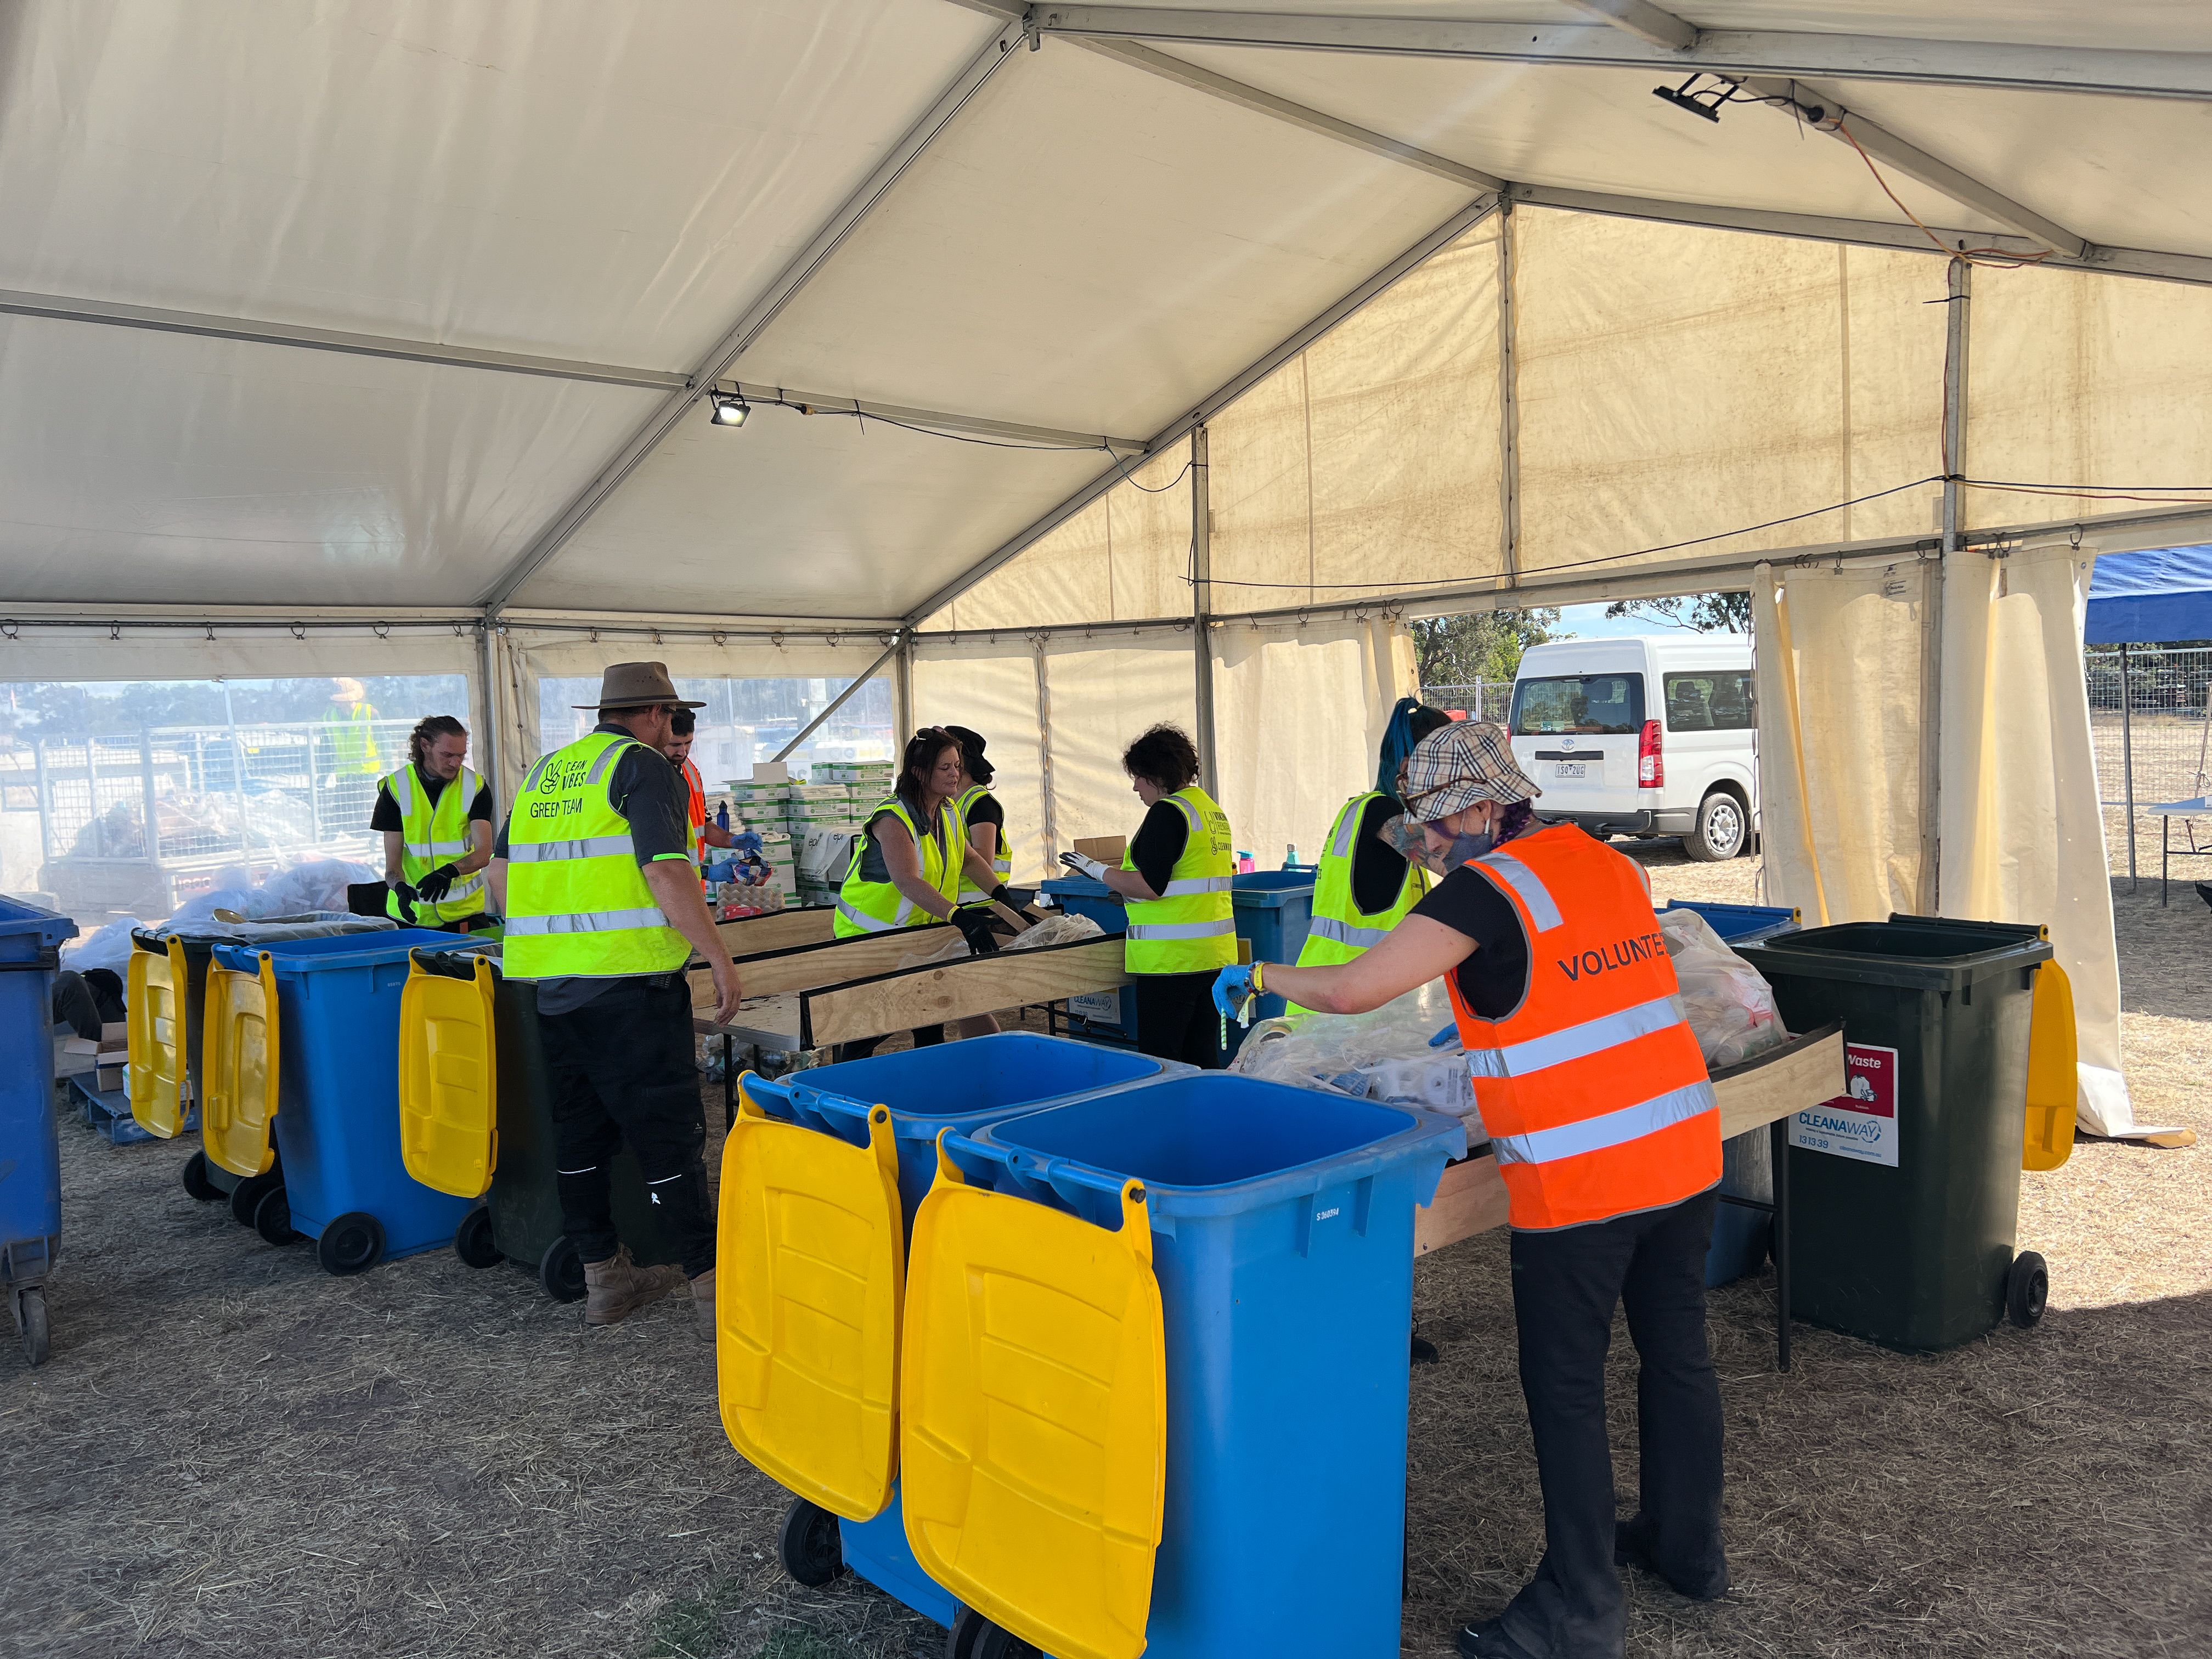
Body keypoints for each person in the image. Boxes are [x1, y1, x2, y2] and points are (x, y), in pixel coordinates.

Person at [1214, 720, 1726, 1659]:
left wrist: (1257, 972)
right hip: (1681, 1150)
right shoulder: (1607, 863)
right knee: (1677, 1353)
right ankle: (1686, 1547)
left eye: (1444, 824)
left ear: (1491, 806)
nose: (1432, 845)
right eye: (1424, 827)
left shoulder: (1485, 890)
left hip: (1584, 1179)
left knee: (1565, 1388)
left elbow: (1355, 989)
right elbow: (1580, 987)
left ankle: (1578, 1607)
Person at [487, 663, 742, 1337]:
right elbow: (665, 869)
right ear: (656, 713)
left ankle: (605, 1279)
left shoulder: (546, 773)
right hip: (631, 989)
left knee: (579, 1139)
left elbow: (499, 875)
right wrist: (718, 955)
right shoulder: (643, 767)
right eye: (671, 717)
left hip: (554, 992)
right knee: (669, 1140)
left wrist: (551, 940)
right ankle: (713, 1292)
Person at [1058, 723, 1235, 1069]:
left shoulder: (1167, 812)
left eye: (1140, 776)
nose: (1136, 786)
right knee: (1201, 1057)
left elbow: (1151, 887)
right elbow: (1186, 881)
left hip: (1171, 963)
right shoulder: (1209, 810)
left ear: (1159, 774)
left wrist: (1096, 869)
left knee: (1162, 1063)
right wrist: (1126, 893)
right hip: (1213, 958)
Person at [833, 727, 1014, 1057]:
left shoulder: (948, 810)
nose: (955, 774)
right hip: (870, 938)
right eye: (945, 767)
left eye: (957, 765)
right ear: (919, 773)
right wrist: (959, 917)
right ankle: (846, 1080)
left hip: (917, 934)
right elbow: (907, 880)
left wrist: (1001, 894)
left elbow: (969, 859)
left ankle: (930, 1075)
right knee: (874, 1025)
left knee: (930, 1014)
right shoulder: (893, 819)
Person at [1290, 698, 1454, 1003]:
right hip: (1344, 1008)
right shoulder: (1384, 815)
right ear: (1409, 767)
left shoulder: (1366, 811)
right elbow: (1464, 867)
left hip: (1342, 1001)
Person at [371, 715, 494, 929]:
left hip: (465, 914)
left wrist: (449, 872)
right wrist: (399, 888)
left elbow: (485, 853)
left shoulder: (475, 787)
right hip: (410, 917)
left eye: (461, 755)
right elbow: (392, 868)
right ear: (425, 746)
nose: (455, 763)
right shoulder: (395, 789)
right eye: (447, 755)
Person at [662, 707, 737, 871]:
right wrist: (707, 872)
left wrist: (732, 840)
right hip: (671, 879)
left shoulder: (690, 770)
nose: (683, 752)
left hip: (694, 878)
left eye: (688, 743)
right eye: (675, 745)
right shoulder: (650, 775)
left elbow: (704, 825)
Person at [944, 725, 1010, 906]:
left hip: (980, 905)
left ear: (960, 762)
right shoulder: (948, 800)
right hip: (954, 904)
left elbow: (983, 860)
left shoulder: (981, 804)